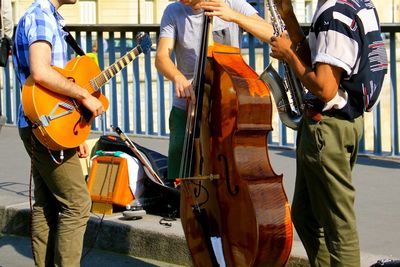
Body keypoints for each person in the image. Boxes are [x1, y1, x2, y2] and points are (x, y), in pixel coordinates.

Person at [269, 0, 388, 266]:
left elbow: (325, 88)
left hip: (329, 128)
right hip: (332, 125)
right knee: (305, 216)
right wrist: (287, 15)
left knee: (338, 228)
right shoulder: (357, 4)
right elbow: (320, 61)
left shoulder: (335, 14)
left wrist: (289, 54)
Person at [12, 0, 105, 266]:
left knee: (47, 205)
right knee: (77, 204)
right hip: (45, 125)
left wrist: (72, 134)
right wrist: (84, 95)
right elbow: (41, 72)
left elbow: (56, 84)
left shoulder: (46, 17)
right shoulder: (41, 17)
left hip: (47, 124)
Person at [155, 0, 274, 180]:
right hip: (188, 105)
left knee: (229, 174)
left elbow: (272, 33)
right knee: (181, 178)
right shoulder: (173, 11)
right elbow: (162, 57)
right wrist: (178, 77)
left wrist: (234, 16)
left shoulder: (232, 3)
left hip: (226, 104)